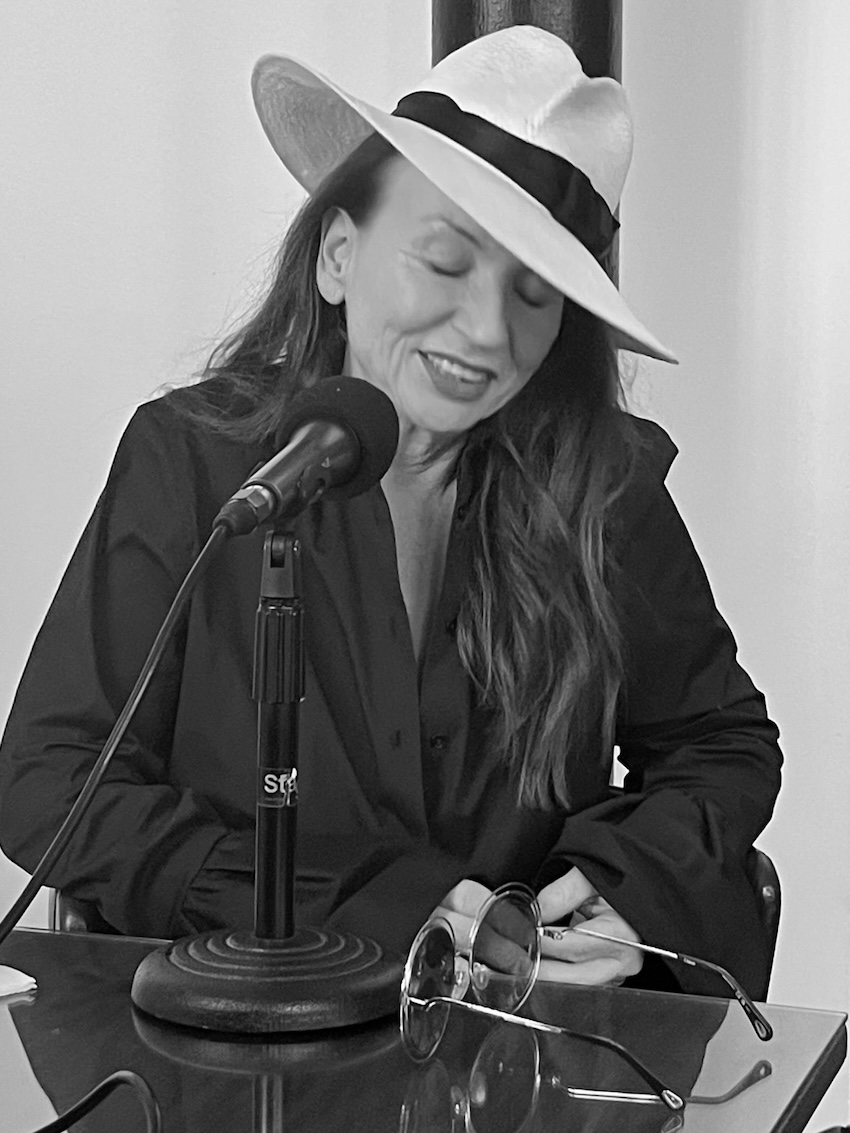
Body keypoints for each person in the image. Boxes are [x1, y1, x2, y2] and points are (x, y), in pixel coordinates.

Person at [0, 26, 781, 998]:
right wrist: (360, 904)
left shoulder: (603, 488)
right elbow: (50, 778)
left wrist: (628, 887)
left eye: (534, 294)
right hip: (238, 1036)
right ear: (339, 255)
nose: (487, 330)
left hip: (515, 1043)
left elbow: (722, 743)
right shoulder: (192, 459)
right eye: (444, 261)